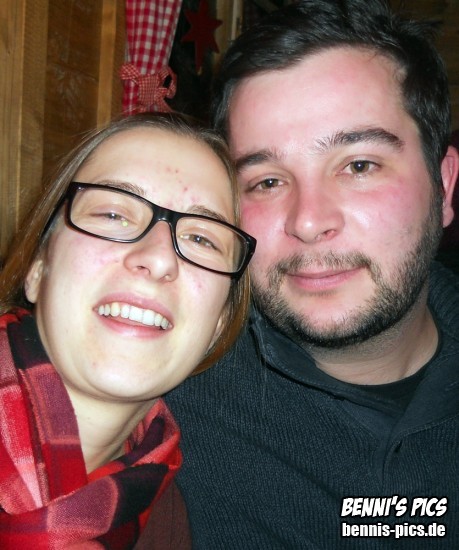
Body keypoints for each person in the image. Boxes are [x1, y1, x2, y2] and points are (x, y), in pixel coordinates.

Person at [165, 1, 459, 548]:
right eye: (267, 182)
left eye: (358, 166)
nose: (306, 221)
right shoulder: (164, 395)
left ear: (443, 186)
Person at [0, 112, 255, 548]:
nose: (158, 258)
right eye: (114, 213)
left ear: (218, 324)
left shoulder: (171, 523)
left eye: (202, 239)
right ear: (38, 268)